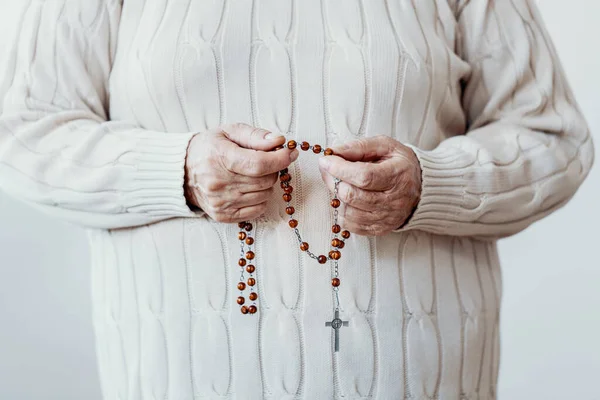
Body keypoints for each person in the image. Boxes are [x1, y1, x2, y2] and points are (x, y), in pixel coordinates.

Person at [0, 0, 593, 398]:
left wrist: (428, 185)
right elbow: (22, 134)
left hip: (420, 376)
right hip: (181, 376)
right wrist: (177, 170)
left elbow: (552, 138)